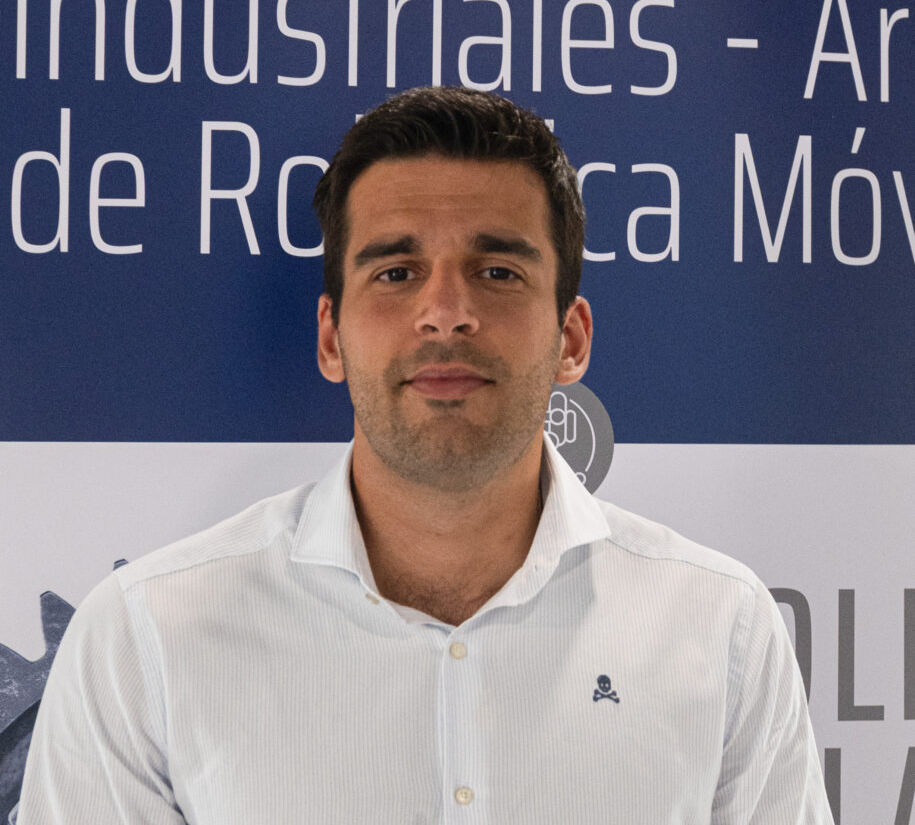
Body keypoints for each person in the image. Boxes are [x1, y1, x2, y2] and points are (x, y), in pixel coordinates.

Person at [18, 87, 834, 824]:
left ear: (571, 338)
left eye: (497, 270)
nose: (445, 311)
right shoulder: (145, 638)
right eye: (397, 271)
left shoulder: (717, 627)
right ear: (331, 338)